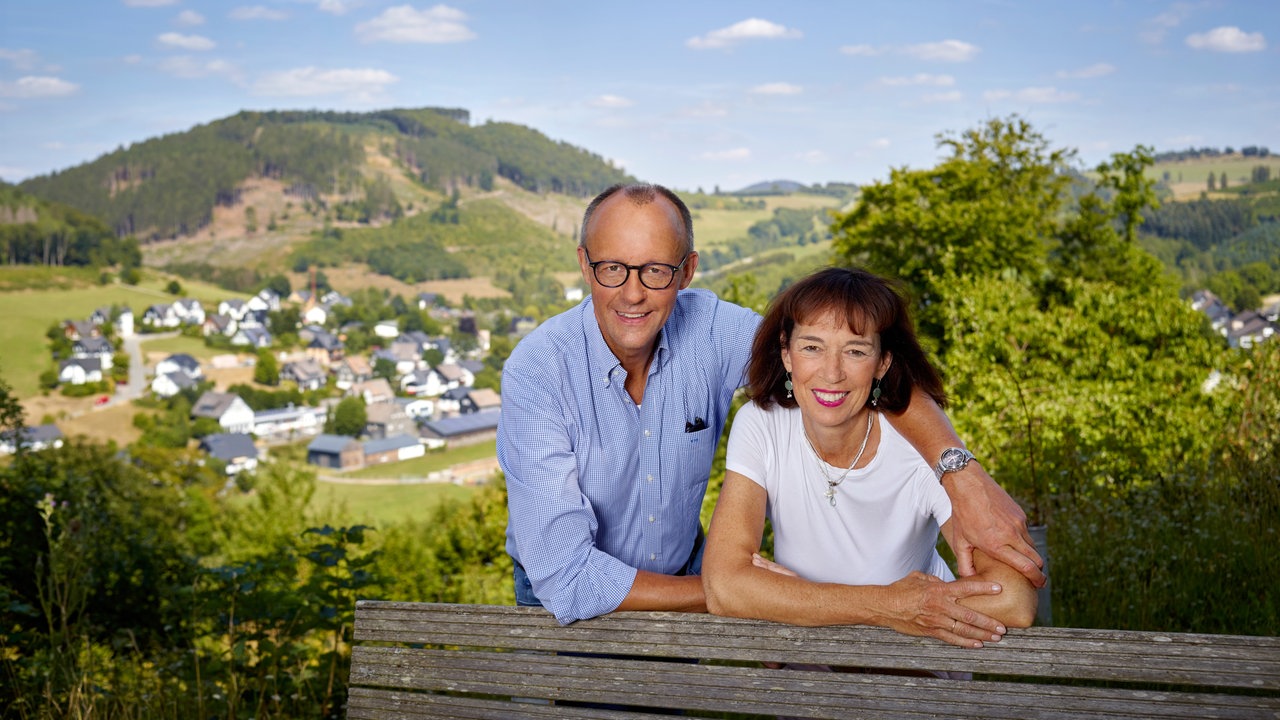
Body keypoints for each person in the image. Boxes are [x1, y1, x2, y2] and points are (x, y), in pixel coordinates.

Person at [499, 183, 1043, 626]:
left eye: (655, 271)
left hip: (690, 573)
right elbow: (568, 578)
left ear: (686, 272)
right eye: (611, 268)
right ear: (584, 264)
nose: (632, 292)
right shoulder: (538, 371)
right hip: (572, 600)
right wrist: (741, 591)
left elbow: (831, 362)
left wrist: (959, 471)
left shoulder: (711, 331)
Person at [702, 267, 1037, 647]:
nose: (832, 373)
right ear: (787, 354)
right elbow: (723, 586)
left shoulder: (916, 448)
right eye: (812, 347)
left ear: (883, 362)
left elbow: (1015, 600)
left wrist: (789, 598)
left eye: (856, 351)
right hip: (811, 675)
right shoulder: (761, 424)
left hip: (913, 673)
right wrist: (887, 605)